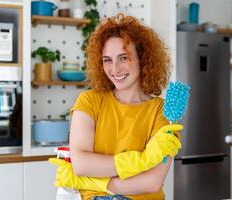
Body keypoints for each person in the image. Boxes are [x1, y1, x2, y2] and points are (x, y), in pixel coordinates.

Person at [49, 13, 183, 200]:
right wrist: (142, 161)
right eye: (107, 60)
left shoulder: (163, 112)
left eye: (123, 58)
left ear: (142, 59)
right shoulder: (89, 101)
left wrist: (96, 181)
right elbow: (81, 164)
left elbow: (152, 182)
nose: (115, 69)